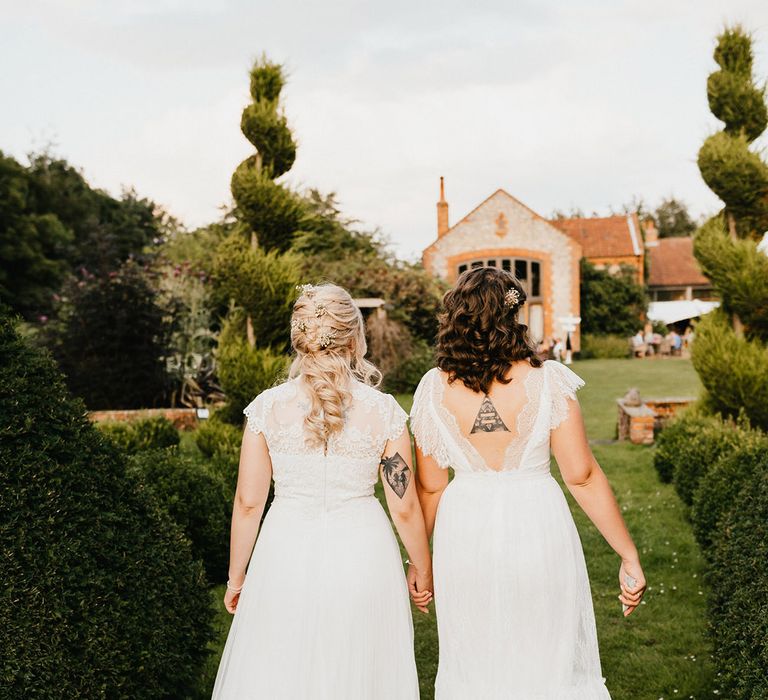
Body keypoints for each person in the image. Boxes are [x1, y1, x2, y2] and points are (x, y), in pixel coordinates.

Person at [409, 267, 646, 699]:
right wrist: (627, 554)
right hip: (537, 523)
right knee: (546, 655)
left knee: (476, 661)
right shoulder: (547, 380)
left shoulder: (431, 389)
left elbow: (430, 487)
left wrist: (419, 564)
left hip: (464, 532)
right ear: (514, 316)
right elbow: (583, 475)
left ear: (457, 317)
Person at [212, 283, 432, 699]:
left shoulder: (267, 408)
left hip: (284, 552)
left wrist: (236, 577)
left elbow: (248, 503)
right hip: (364, 554)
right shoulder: (383, 411)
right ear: (354, 338)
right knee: (362, 670)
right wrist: (421, 566)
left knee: (282, 670)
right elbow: (403, 506)